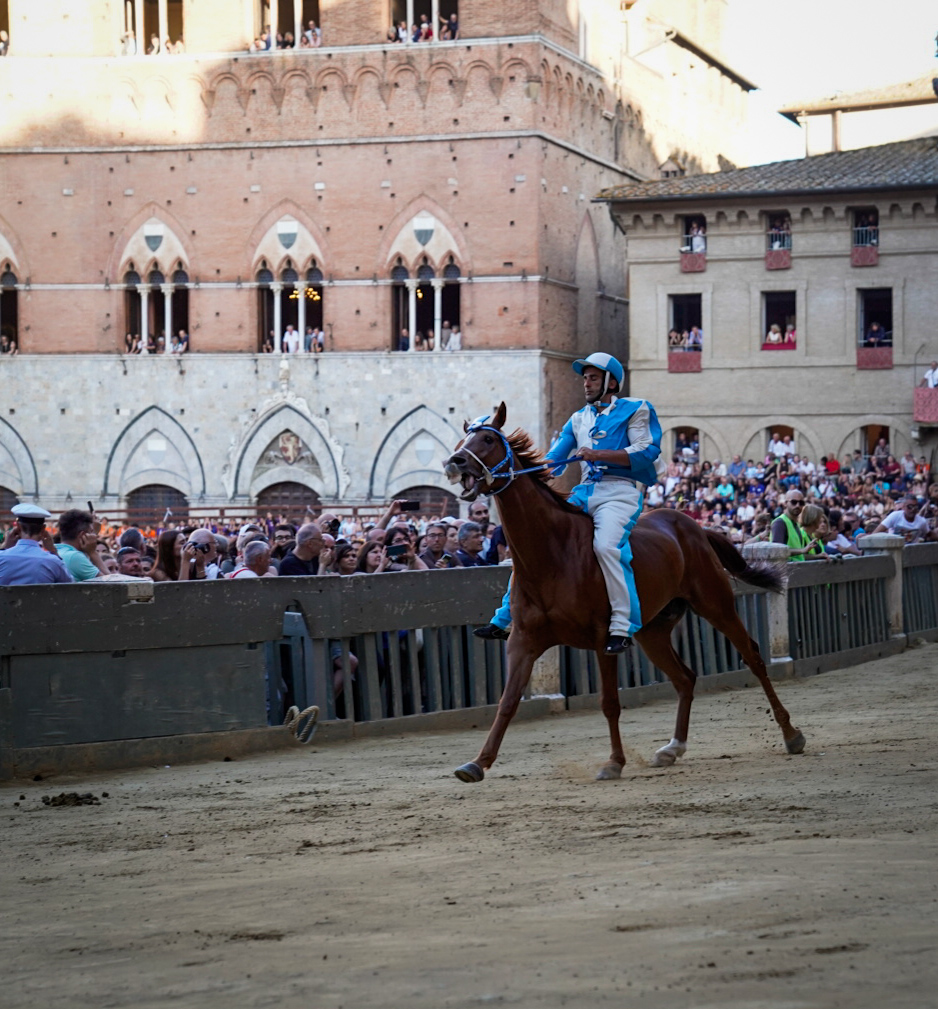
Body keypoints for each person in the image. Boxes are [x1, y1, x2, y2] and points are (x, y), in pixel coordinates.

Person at [476, 352, 663, 653]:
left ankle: (623, 625)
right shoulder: (578, 418)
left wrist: (599, 455)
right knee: (537, 545)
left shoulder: (636, 408)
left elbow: (646, 451)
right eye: (584, 378)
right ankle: (504, 617)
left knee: (606, 547)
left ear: (611, 381)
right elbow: (555, 460)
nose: (586, 383)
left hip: (620, 492)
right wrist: (529, 470)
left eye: (592, 378)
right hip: (583, 492)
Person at [0, 504, 73, 585]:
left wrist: (4, 547)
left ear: (18, 527)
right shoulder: (53, 561)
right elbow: (70, 585)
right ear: (43, 529)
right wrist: (53, 551)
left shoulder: (2, 557)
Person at [56, 508, 109, 580]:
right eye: (91, 532)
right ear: (82, 535)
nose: (93, 536)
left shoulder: (53, 550)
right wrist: (93, 552)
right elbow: (113, 585)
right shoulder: (75, 557)